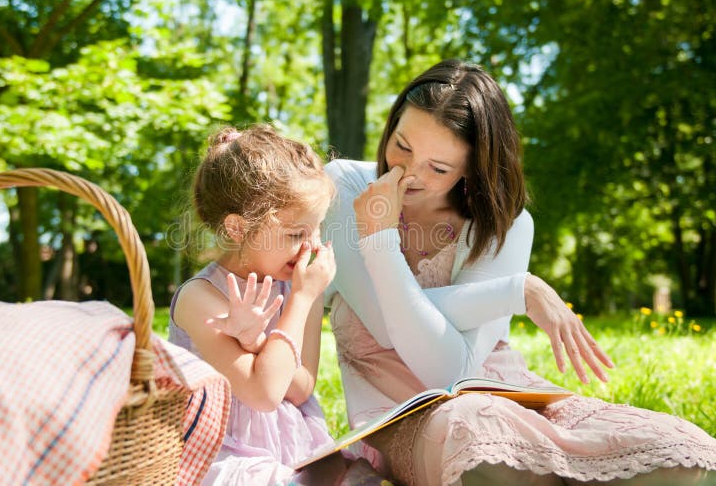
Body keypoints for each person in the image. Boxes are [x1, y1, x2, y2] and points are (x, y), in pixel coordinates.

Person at [322, 59, 716, 485]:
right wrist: (515, 291)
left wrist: (512, 288)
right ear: (391, 122)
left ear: (472, 168)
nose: (408, 172)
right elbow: (405, 342)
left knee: (679, 451)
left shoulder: (504, 223)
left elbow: (462, 372)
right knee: (473, 435)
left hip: (502, 394)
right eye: (401, 145)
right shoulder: (344, 189)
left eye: (438, 168)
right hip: (405, 419)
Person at [168, 125, 385, 486]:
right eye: (296, 234)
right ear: (238, 229)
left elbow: (299, 388)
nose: (311, 247)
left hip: (294, 448)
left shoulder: (299, 284)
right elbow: (263, 393)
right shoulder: (200, 298)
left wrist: (258, 344)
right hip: (226, 453)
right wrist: (299, 301)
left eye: (316, 230)